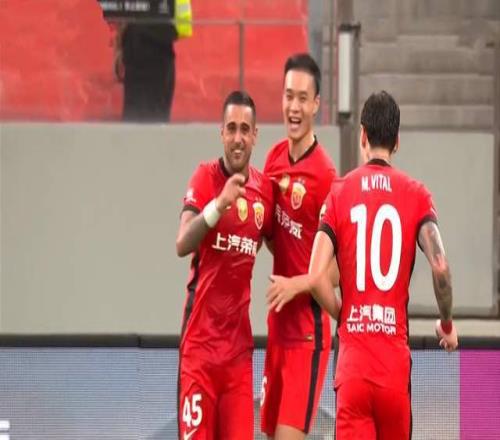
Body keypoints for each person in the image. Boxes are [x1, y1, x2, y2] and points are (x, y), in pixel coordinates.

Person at [268, 91, 459, 439]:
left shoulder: (340, 193)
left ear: (362, 136)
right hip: (393, 370)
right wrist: (446, 324)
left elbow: (315, 275)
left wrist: (344, 315)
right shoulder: (417, 195)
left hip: (353, 368)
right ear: (397, 141)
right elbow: (441, 268)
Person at [176, 90, 273, 440]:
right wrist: (218, 206)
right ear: (221, 132)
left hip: (237, 359)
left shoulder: (265, 192)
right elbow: (182, 242)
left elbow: (276, 243)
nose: (237, 138)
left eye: (245, 129)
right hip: (199, 353)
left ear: (255, 135)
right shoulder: (205, 177)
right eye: (231, 128)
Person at [260, 53, 337, 440]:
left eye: (302, 98)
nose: (294, 107)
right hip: (277, 328)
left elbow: (338, 270)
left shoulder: (326, 176)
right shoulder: (273, 159)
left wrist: (298, 283)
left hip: (309, 335)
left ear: (316, 104)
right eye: (288, 96)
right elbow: (272, 234)